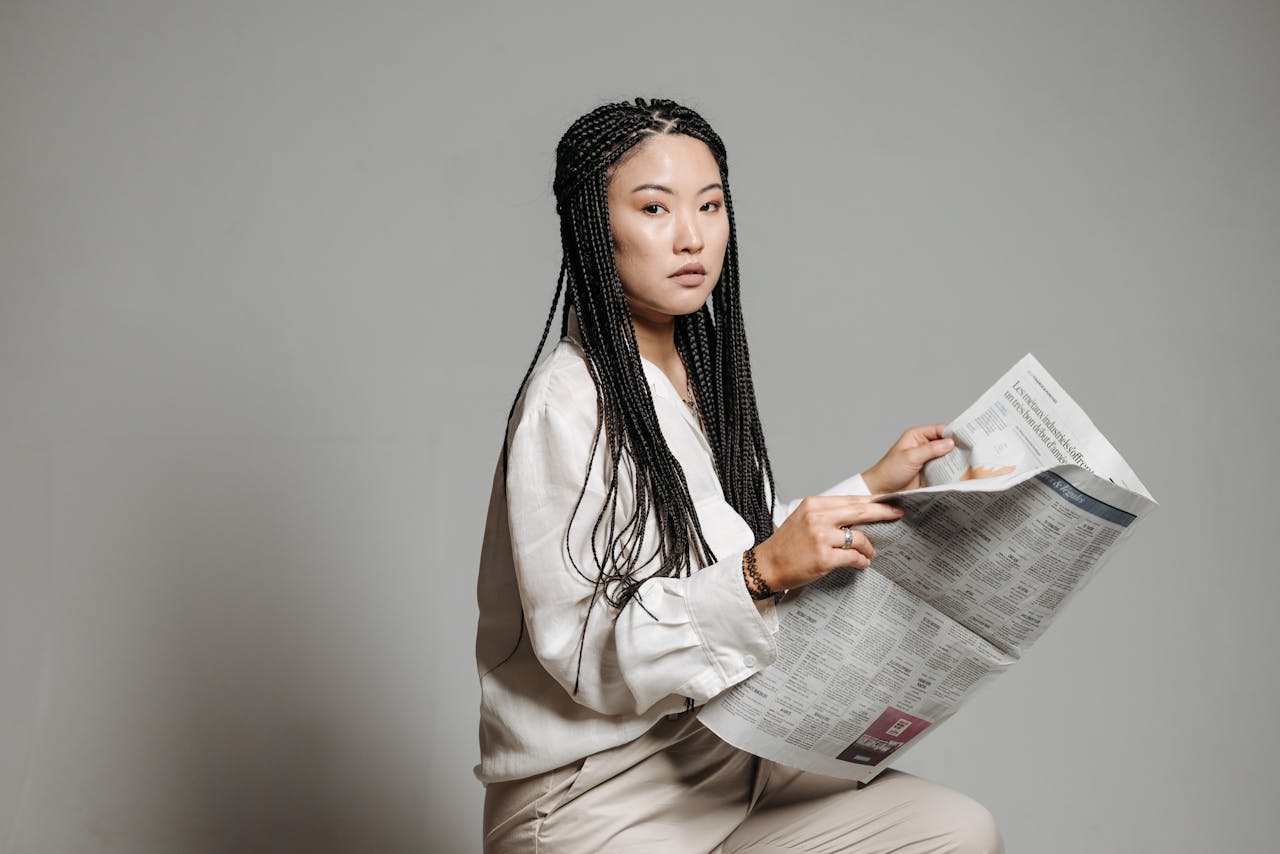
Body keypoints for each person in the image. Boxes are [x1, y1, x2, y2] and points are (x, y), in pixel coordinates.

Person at [474, 97, 1004, 853]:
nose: (692, 236)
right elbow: (589, 651)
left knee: (955, 832)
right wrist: (760, 575)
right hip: (599, 797)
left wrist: (873, 488)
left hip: (729, 763)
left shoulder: (694, 374)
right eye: (654, 208)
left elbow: (719, 543)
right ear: (594, 230)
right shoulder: (570, 402)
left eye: (711, 205)